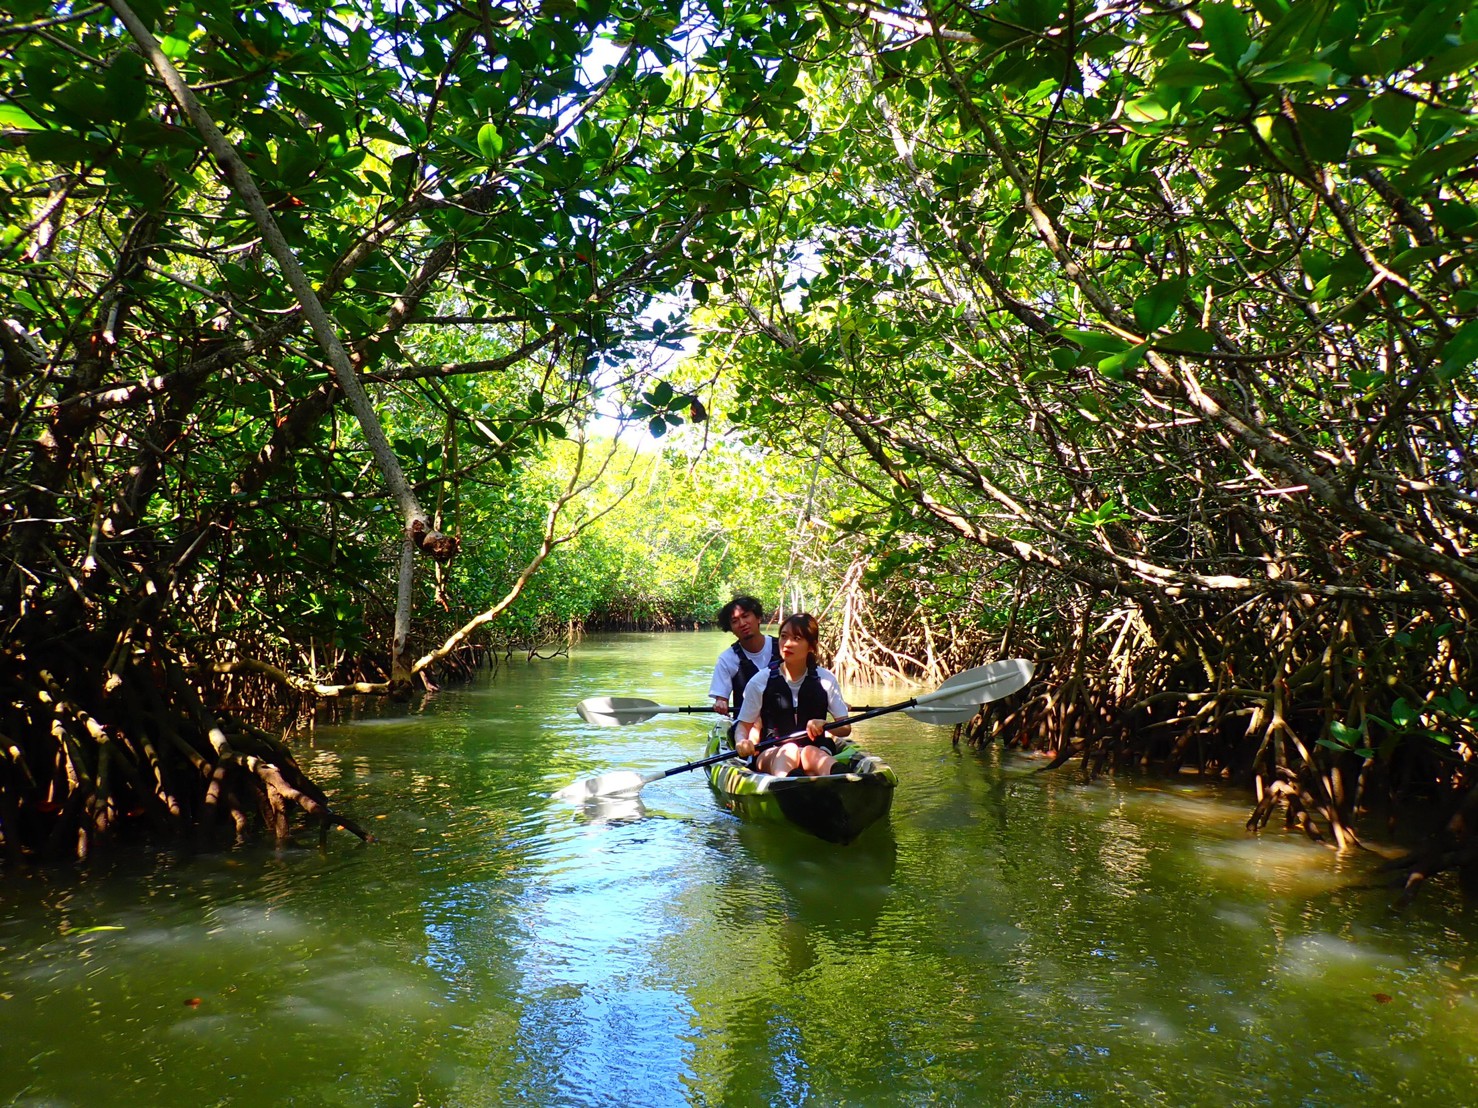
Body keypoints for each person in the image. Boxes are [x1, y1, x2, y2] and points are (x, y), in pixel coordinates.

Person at [734, 612, 851, 777]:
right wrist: (741, 741)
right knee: (789, 749)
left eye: (796, 638)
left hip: (813, 749)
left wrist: (825, 724)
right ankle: (787, 783)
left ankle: (842, 779)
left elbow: (845, 727)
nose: (787, 644)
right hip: (771, 751)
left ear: (811, 646)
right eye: (783, 636)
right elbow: (743, 726)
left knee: (810, 752)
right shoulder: (760, 681)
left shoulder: (826, 679)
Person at [708, 595, 776, 719]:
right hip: (747, 724)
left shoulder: (783, 648)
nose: (742, 624)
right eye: (735, 621)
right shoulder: (726, 659)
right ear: (730, 629)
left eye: (745, 616)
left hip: (784, 722)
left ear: (758, 618)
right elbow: (721, 698)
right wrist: (721, 703)